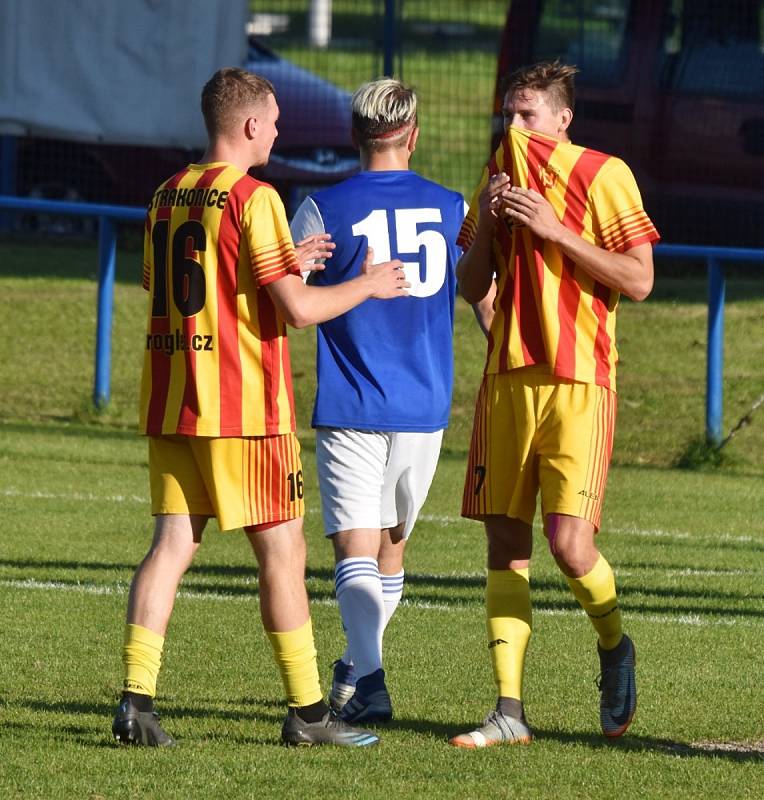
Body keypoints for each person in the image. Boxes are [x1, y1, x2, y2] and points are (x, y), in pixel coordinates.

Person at [111, 67, 410, 749]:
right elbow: (299, 311)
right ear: (249, 125)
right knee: (282, 552)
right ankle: (309, 713)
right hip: (243, 410)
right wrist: (368, 284)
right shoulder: (256, 197)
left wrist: (280, 262)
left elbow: (181, 283)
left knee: (171, 546)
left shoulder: (166, 194)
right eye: (273, 121)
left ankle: (135, 700)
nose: (277, 131)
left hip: (173, 399)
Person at [448, 61, 659, 748]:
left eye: (528, 114)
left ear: (562, 120)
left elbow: (640, 278)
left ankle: (614, 644)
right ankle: (508, 710)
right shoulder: (497, 178)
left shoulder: (604, 173)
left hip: (578, 382)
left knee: (570, 546)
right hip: (508, 379)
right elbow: (469, 281)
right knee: (506, 546)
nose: (514, 127)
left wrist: (554, 229)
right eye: (508, 114)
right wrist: (493, 220)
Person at [290, 78, 467, 724]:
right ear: (413, 135)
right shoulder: (453, 207)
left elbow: (284, 295)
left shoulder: (322, 208)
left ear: (354, 136)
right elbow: (485, 288)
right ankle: (361, 670)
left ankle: (368, 677)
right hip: (426, 404)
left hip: (353, 400)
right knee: (389, 549)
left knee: (356, 551)